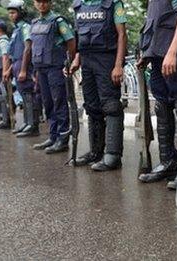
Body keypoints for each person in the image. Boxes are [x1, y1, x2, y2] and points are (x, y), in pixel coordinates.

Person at [136, 0, 177, 189]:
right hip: (158, 55)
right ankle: (168, 162)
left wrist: (172, 51)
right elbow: (155, 23)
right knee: (162, 107)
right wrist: (147, 53)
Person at [69, 0, 127, 171]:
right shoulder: (78, 6)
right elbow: (79, 36)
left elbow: (122, 35)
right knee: (92, 106)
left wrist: (118, 65)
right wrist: (77, 60)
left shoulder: (113, 4)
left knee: (111, 106)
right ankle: (95, 152)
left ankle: (113, 155)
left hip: (106, 59)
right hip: (86, 60)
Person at [31, 0, 76, 154]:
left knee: (59, 102)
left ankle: (63, 139)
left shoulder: (58, 21)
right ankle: (53, 136)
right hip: (41, 69)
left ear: (50, 3)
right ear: (34, 4)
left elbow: (70, 40)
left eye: (45, 1)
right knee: (48, 103)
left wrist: (68, 63)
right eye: (39, 1)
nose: (42, 4)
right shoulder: (35, 23)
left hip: (56, 68)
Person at [5, 0, 40, 137]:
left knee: (29, 95)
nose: (11, 15)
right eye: (10, 13)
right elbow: (15, 53)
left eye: (13, 12)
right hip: (17, 64)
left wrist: (24, 70)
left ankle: (33, 125)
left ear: (21, 12)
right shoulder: (16, 30)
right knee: (24, 96)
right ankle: (27, 122)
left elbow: (27, 48)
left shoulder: (25, 27)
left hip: (24, 65)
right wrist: (9, 69)